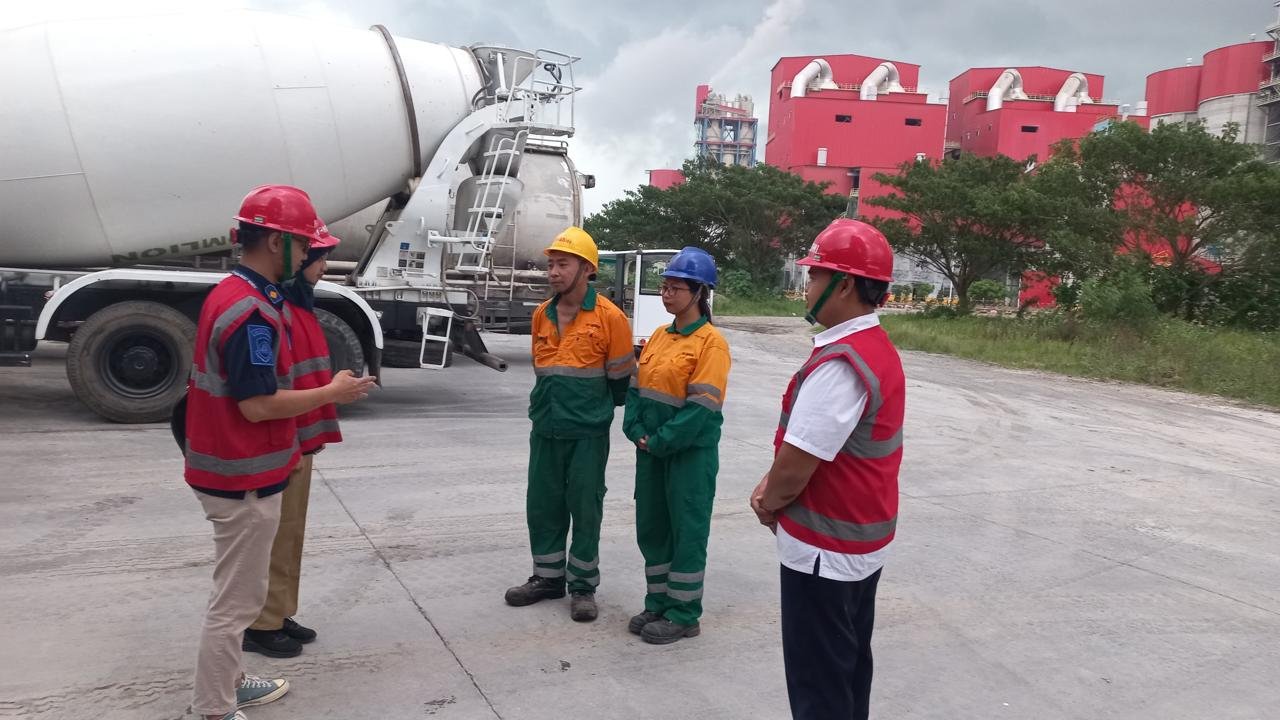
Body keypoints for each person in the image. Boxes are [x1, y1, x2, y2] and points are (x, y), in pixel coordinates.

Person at [184, 185, 376, 720]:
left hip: (238, 467)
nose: (313, 254)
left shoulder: (240, 294)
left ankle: (229, 682)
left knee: (238, 593)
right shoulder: (251, 311)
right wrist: (331, 393)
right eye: (304, 243)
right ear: (275, 242)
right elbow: (258, 406)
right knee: (236, 606)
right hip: (242, 476)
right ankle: (216, 708)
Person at [749, 218, 904, 720]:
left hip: (824, 552)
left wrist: (770, 501)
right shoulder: (874, 348)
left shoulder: (842, 363)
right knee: (848, 668)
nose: (806, 285)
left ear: (846, 284)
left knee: (819, 685)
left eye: (815, 275)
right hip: (856, 545)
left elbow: (797, 466)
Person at [504, 226, 635, 622]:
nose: (553, 272)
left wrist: (591, 414)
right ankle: (546, 578)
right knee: (542, 505)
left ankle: (582, 586)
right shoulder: (541, 315)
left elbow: (619, 384)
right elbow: (545, 373)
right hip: (545, 428)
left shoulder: (611, 319)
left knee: (585, 507)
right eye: (551, 264)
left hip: (587, 434)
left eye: (563, 264)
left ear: (586, 269)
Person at [242, 224, 345, 658]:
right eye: (316, 255)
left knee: (290, 532)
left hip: (299, 441)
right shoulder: (272, 310)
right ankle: (259, 624)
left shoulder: (296, 306)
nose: (323, 266)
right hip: (280, 444)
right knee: (270, 535)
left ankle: (279, 611)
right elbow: (264, 393)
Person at [623, 247, 730, 645]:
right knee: (653, 528)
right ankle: (657, 602)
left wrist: (662, 441)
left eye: (676, 288)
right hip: (650, 451)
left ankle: (684, 613)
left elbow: (702, 408)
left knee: (686, 531)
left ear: (699, 292)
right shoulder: (657, 336)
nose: (667, 295)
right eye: (664, 287)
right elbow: (637, 387)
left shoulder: (710, 344)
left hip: (687, 456)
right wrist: (634, 429)